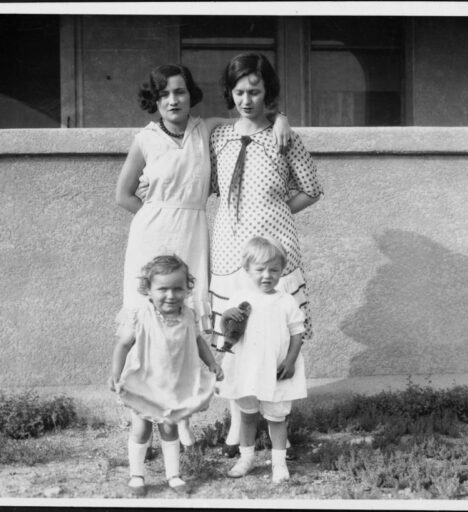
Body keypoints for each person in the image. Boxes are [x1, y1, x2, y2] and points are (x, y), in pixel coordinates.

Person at [114, 64, 291, 450]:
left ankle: (184, 415)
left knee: (188, 324)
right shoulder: (144, 139)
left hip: (193, 234)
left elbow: (250, 115)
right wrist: (156, 216)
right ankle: (149, 413)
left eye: (179, 92)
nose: (173, 100)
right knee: (151, 326)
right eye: (164, 95)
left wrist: (282, 120)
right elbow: (124, 194)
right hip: (151, 238)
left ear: (189, 94)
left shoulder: (206, 128)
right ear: (155, 101)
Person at [208, 52, 323, 458]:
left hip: (275, 252)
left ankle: (278, 426)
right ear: (230, 93)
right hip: (228, 248)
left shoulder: (283, 135)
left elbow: (311, 188)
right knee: (233, 335)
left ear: (267, 93)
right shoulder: (218, 136)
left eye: (255, 91)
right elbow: (207, 183)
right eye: (239, 91)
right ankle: (239, 423)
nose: (246, 99)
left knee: (272, 333)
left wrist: (273, 211)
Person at [109, 255, 224, 496]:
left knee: (169, 429)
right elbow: (122, 346)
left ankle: (173, 474)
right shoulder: (141, 315)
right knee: (141, 429)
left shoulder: (189, 315)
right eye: (163, 289)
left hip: (172, 385)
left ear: (187, 288)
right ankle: (137, 475)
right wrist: (116, 375)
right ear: (148, 290)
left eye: (177, 289)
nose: (170, 295)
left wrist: (212, 363)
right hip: (143, 383)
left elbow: (198, 342)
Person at [218, 237, 306, 483]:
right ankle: (246, 458)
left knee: (277, 417)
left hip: (275, 368)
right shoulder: (239, 298)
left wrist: (290, 361)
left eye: (274, 270)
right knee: (247, 415)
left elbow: (298, 333)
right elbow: (227, 329)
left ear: (282, 271)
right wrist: (226, 316)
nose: (267, 275)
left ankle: (279, 464)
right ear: (247, 270)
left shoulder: (286, 301)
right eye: (260, 270)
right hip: (247, 367)